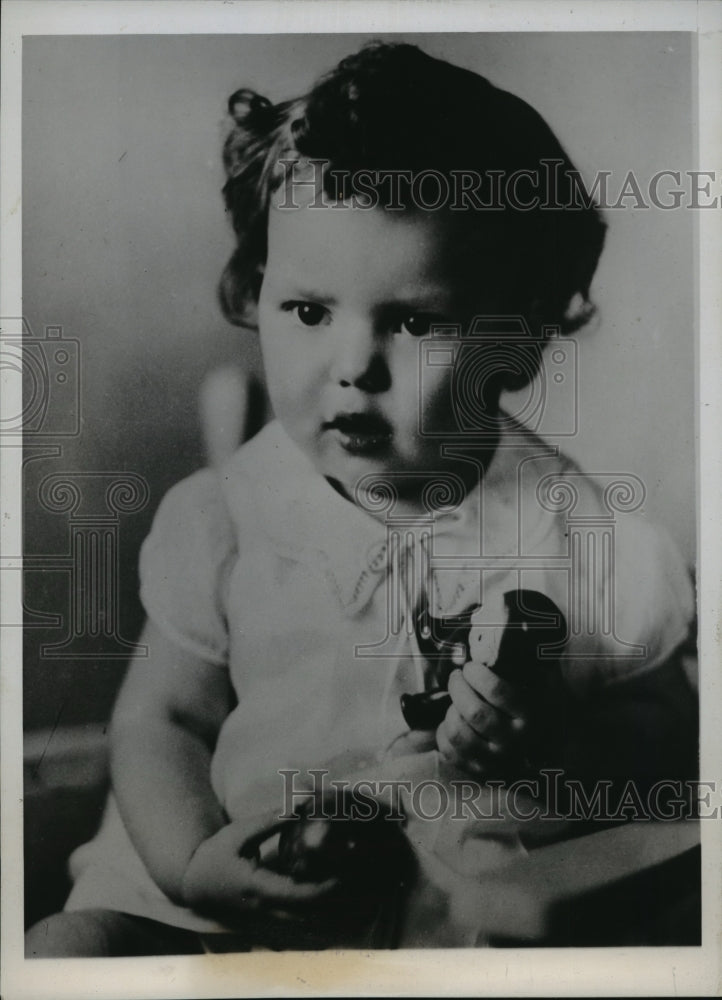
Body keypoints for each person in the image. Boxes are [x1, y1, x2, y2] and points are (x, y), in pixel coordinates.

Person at [26, 41, 697, 957]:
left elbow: (667, 734)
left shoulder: (584, 538)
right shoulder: (227, 520)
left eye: (415, 321)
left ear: (523, 340)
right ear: (258, 291)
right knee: (70, 948)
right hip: (226, 903)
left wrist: (557, 744)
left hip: (453, 928)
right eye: (308, 311)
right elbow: (162, 720)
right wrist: (194, 863)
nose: (352, 367)